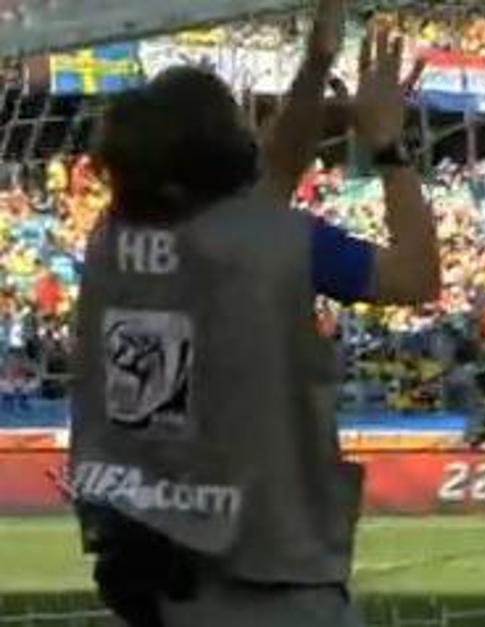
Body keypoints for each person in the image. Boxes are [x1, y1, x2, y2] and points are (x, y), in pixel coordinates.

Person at [67, 0, 440, 624]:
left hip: (157, 568)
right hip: (269, 574)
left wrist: (317, 65)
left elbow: (275, 172)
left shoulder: (112, 240)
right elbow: (417, 277)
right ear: (227, 149)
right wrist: (386, 145)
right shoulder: (280, 243)